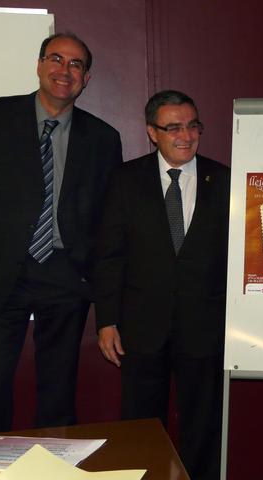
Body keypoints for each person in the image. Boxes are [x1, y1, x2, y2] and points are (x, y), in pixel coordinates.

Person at [0, 32, 122, 432]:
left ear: (86, 78)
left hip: (65, 274)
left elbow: (109, 221)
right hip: (1, 272)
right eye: (56, 59)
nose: (65, 70)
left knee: (58, 390)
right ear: (40, 65)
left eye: (76, 64)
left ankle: (53, 462)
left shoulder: (103, 139)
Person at [93, 90, 230, 480]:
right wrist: (106, 320)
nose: (186, 136)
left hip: (204, 327)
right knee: (140, 427)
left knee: (203, 427)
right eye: (173, 128)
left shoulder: (223, 180)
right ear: (152, 132)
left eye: (192, 125)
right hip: (141, 328)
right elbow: (109, 255)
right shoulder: (125, 180)